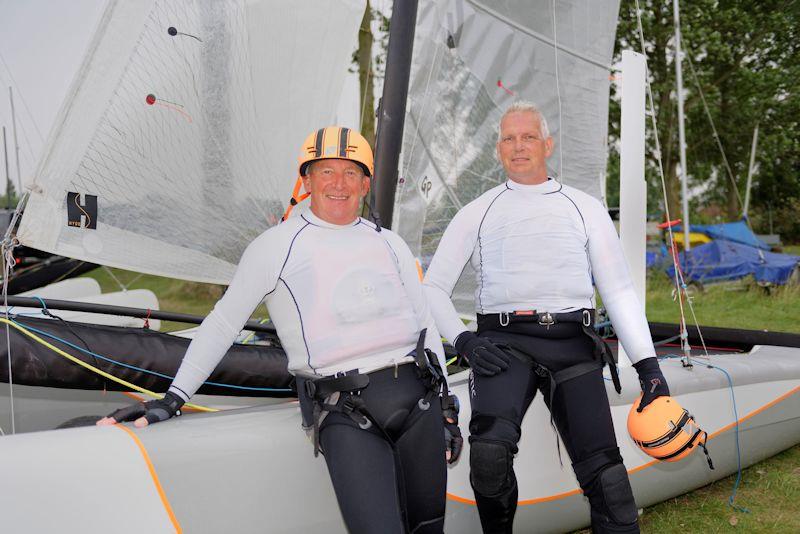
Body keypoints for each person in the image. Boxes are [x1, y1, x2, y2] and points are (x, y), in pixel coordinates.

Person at [98, 126, 462, 534]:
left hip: (421, 406)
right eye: (326, 172)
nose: (338, 184)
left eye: (350, 173)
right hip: (348, 412)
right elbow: (222, 324)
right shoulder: (275, 246)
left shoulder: (390, 243)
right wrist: (173, 398)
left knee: (429, 529)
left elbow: (424, 322)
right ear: (307, 180)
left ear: (365, 183)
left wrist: (448, 405)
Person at [423, 102, 669, 534]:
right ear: (498, 147)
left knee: (606, 475)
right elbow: (432, 289)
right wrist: (463, 342)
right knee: (489, 456)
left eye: (528, 137)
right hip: (501, 346)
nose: (518, 147)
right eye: (508, 138)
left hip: (573, 344)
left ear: (547, 144)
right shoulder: (476, 212)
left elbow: (619, 291)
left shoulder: (585, 207)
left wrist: (649, 369)